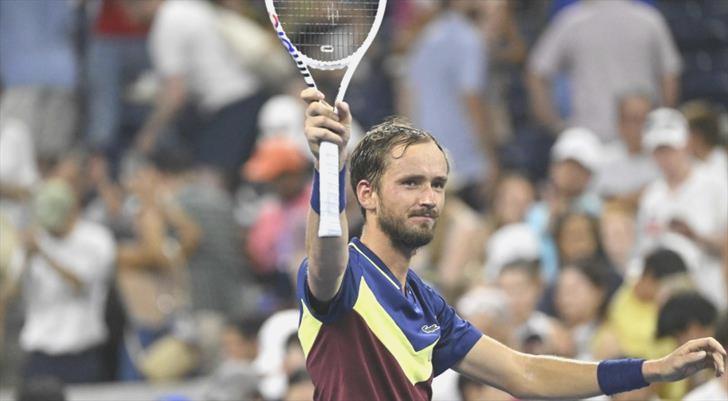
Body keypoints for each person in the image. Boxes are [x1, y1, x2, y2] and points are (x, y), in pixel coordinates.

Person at [296, 87, 726, 401]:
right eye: (411, 183)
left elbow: (524, 372)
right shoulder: (344, 276)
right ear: (367, 194)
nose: (429, 198)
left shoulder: (428, 304)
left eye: (438, 184)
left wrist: (652, 369)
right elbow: (326, 252)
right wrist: (329, 165)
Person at [527, 0, 681, 141]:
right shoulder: (649, 18)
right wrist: (661, 121)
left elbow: (536, 72)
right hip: (632, 132)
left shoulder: (572, 21)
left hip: (592, 133)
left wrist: (555, 126)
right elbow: (670, 75)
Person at [637, 108, 728, 308]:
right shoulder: (651, 196)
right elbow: (644, 249)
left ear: (686, 144)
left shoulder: (715, 184)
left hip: (711, 290)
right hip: (666, 299)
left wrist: (695, 235)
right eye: (659, 151)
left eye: (670, 149)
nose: (666, 157)